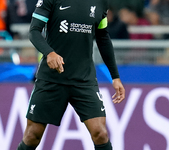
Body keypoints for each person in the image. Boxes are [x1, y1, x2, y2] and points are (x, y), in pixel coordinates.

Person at [17, 0, 125, 149]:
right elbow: (34, 31)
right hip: (51, 79)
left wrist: (115, 77)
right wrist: (49, 53)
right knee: (32, 136)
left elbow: (103, 38)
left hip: (84, 80)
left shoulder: (101, 3)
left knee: (100, 133)